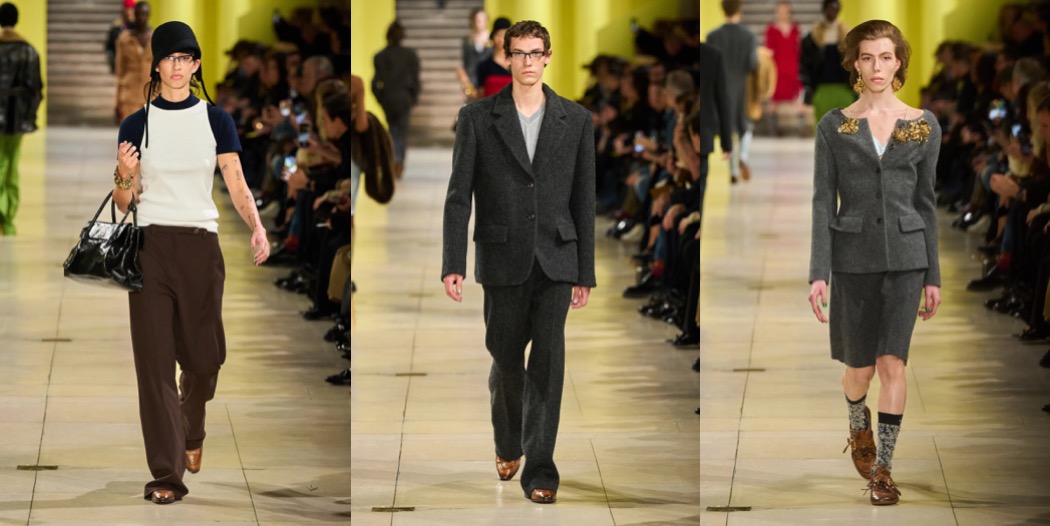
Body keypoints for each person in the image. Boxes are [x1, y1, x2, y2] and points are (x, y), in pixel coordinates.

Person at [113, 20, 269, 504]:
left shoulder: (216, 120)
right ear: (156, 65)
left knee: (204, 361)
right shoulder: (136, 124)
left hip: (202, 246)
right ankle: (166, 474)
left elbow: (236, 181)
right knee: (155, 366)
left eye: (186, 59)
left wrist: (257, 226)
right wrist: (124, 173)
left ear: (196, 65)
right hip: (150, 247)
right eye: (169, 58)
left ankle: (192, 425)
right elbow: (123, 201)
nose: (177, 67)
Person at [441, 20, 595, 505]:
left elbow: (584, 199)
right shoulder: (477, 118)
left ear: (548, 57)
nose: (528, 61)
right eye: (519, 53)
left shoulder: (576, 120)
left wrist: (585, 271)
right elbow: (458, 196)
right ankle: (508, 441)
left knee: (548, 363)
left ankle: (541, 470)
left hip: (557, 256)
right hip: (501, 254)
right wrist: (453, 261)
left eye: (535, 53)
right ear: (506, 57)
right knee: (506, 360)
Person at [807, 20, 942, 507]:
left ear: (899, 61)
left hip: (907, 257)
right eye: (867, 58)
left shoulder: (924, 124)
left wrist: (933, 275)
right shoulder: (834, 126)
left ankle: (883, 470)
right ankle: (856, 419)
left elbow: (927, 203)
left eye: (885, 57)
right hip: (852, 258)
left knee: (892, 364)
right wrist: (818, 272)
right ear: (855, 64)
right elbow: (823, 200)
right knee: (859, 371)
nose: (877, 67)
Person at [0, 2, 43, 238]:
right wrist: (30, 117)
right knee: (12, 163)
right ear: (16, 21)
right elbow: (36, 89)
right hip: (17, 119)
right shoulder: (29, 51)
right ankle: (8, 218)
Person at [706, 0, 757, 183]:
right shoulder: (749, 37)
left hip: (720, 89)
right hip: (741, 87)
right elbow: (752, 64)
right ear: (740, 9)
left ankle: (733, 171)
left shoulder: (713, 37)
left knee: (726, 129)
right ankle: (743, 156)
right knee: (745, 126)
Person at [372, 20, 420, 178]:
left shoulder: (380, 56)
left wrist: (380, 98)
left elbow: (375, 82)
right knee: (401, 132)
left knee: (392, 130)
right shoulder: (410, 56)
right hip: (404, 98)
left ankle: (394, 160)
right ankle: (398, 162)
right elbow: (416, 80)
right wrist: (413, 97)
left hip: (388, 99)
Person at [800, 0, 852, 123]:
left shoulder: (848, 37)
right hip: (820, 89)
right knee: (822, 127)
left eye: (835, 8)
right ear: (824, 9)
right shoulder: (812, 37)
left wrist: (854, 88)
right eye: (830, 8)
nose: (832, 11)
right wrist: (808, 87)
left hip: (844, 89)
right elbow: (805, 65)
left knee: (845, 128)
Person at [764, 0, 803, 135]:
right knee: (774, 101)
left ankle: (799, 127)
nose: (782, 14)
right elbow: (768, 52)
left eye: (785, 11)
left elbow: (798, 50)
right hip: (777, 69)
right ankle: (773, 128)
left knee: (796, 98)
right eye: (780, 11)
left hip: (792, 68)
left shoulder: (795, 29)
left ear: (789, 12)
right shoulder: (771, 29)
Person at [114, 1, 153, 123]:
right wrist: (117, 102)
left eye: (144, 14)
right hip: (129, 96)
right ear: (134, 15)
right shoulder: (124, 40)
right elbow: (120, 71)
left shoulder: (156, 39)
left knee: (150, 133)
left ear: (149, 15)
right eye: (138, 14)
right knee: (130, 132)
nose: (141, 18)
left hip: (151, 96)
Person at [456, 7, 491, 100]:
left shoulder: (492, 39)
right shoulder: (467, 40)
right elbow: (466, 62)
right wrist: (465, 83)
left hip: (487, 79)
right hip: (472, 80)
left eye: (482, 20)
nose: (480, 23)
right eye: (477, 20)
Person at [475, 17, 512, 97]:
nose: (502, 39)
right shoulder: (484, 66)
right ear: (493, 38)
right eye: (499, 35)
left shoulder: (516, 64)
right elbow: (480, 95)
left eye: (505, 35)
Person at [104, 0, 135, 74]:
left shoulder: (138, 27)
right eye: (127, 9)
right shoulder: (116, 27)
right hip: (120, 63)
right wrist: (112, 58)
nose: (129, 12)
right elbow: (109, 45)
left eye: (131, 10)